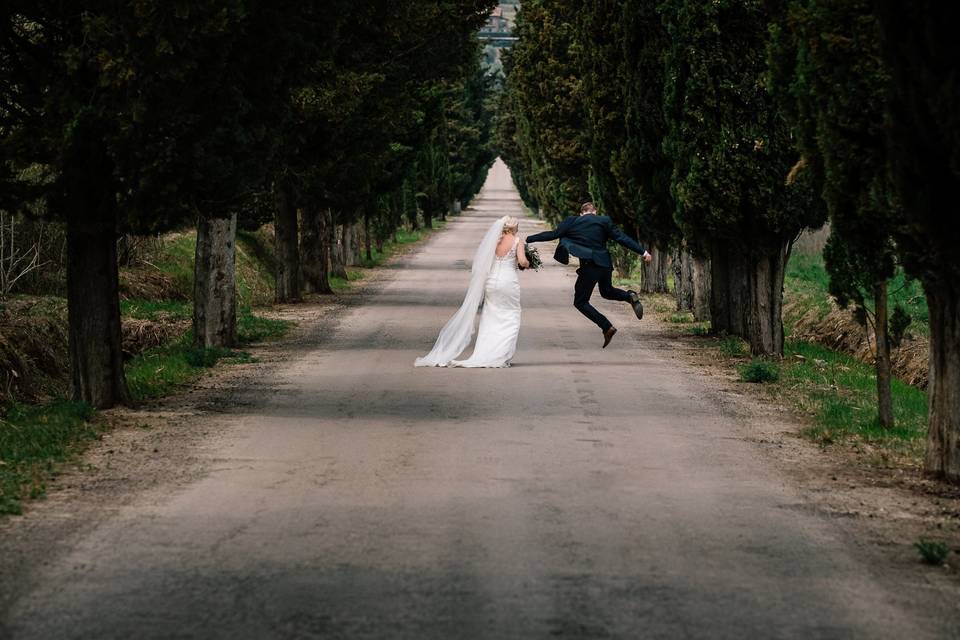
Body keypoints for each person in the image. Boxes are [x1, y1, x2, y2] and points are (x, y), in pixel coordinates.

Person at [526, 202, 652, 348]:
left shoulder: (572, 221)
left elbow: (552, 234)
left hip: (589, 266)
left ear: (581, 213)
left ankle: (606, 326)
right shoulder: (604, 221)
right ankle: (629, 296)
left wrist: (529, 239)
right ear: (595, 212)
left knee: (580, 302)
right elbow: (622, 238)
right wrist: (643, 252)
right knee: (607, 291)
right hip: (605, 264)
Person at [415, 216, 529, 368]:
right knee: (511, 315)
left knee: (491, 316)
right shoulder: (517, 240)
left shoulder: (494, 241)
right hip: (508, 282)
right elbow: (522, 261)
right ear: (513, 228)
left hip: (491, 282)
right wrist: (528, 262)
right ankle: (501, 355)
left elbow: (484, 262)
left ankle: (486, 353)